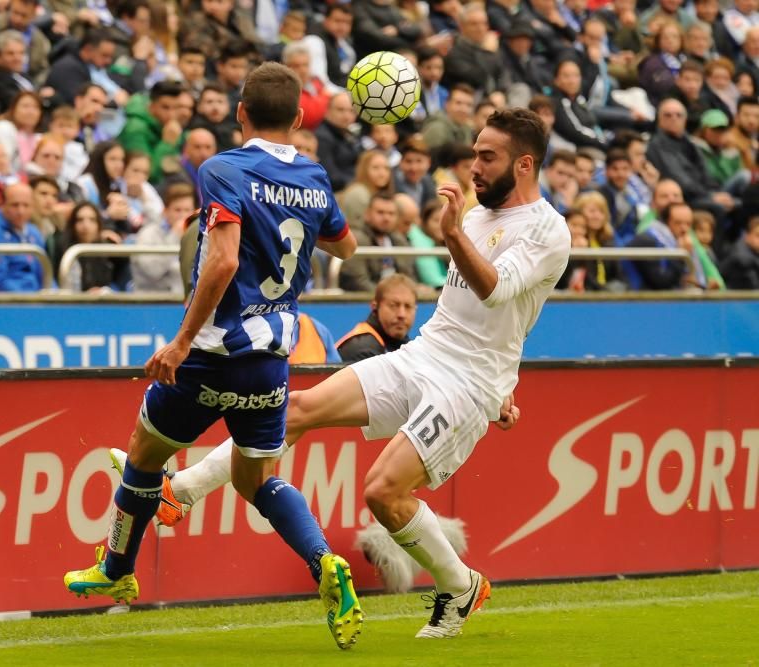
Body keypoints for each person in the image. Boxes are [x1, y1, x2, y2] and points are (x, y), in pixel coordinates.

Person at [144, 108, 567, 640]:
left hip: (469, 385)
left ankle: (460, 585)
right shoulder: (478, 216)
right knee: (295, 410)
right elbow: (483, 315)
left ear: (524, 164)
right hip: (426, 354)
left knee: (384, 493)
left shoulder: (548, 230)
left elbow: (498, 292)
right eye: (476, 154)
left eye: (488, 157)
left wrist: (456, 242)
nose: (475, 167)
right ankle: (179, 491)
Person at [62, 62, 364, 651]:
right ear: (300, 119)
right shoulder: (315, 176)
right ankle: (324, 560)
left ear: (240, 113)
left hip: (210, 353)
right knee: (258, 480)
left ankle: (116, 570)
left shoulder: (222, 169)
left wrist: (178, 343)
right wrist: (293, 214)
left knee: (144, 456)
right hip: (272, 358)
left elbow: (222, 262)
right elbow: (346, 247)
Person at [337, 274, 418, 362]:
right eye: (393, 305)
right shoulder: (362, 348)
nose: (401, 314)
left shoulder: (402, 344)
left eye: (408, 306)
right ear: (375, 306)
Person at [0, 182, 46, 292]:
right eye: (15, 205)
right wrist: (30, 300)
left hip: (36, 298)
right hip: (9, 303)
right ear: (2, 204)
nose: (21, 211)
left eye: (26, 205)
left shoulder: (33, 232)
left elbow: (45, 274)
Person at [132, 181, 192, 292]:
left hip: (184, 302)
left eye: (187, 210)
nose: (183, 216)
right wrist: (175, 235)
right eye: (177, 210)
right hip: (152, 302)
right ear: (165, 211)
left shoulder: (197, 236)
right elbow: (153, 271)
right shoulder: (148, 234)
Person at [627, 202, 696, 290]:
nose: (684, 228)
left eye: (688, 224)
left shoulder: (682, 242)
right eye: (678, 223)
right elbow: (662, 283)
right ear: (665, 221)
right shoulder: (647, 241)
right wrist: (680, 257)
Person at [719, 214, 759, 288]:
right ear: (747, 235)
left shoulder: (753, 252)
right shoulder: (742, 259)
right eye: (758, 235)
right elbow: (755, 288)